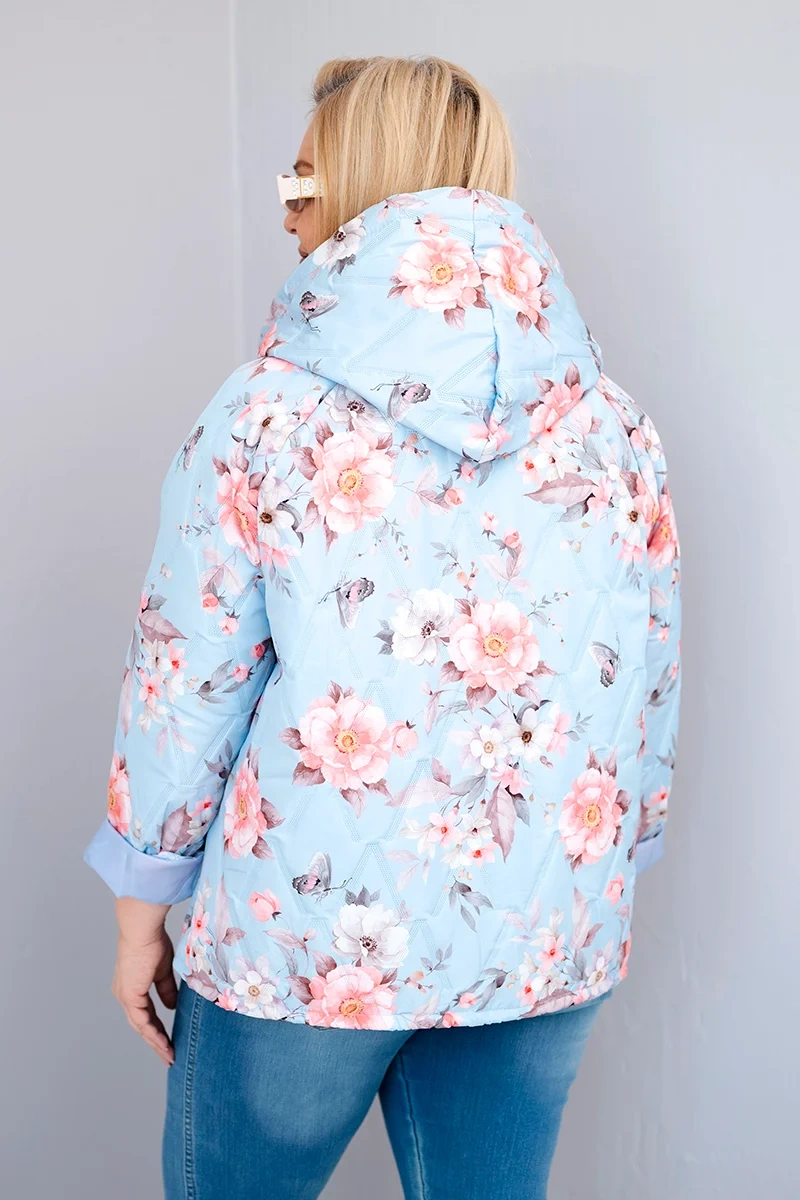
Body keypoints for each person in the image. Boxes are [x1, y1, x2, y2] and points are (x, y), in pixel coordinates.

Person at [84, 55, 681, 1200]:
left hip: (306, 937)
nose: (287, 206)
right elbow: (646, 671)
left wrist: (139, 905)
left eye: (299, 176)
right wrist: (617, 850)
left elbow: (185, 676)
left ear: (355, 178)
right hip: (545, 922)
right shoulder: (615, 426)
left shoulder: (264, 415)